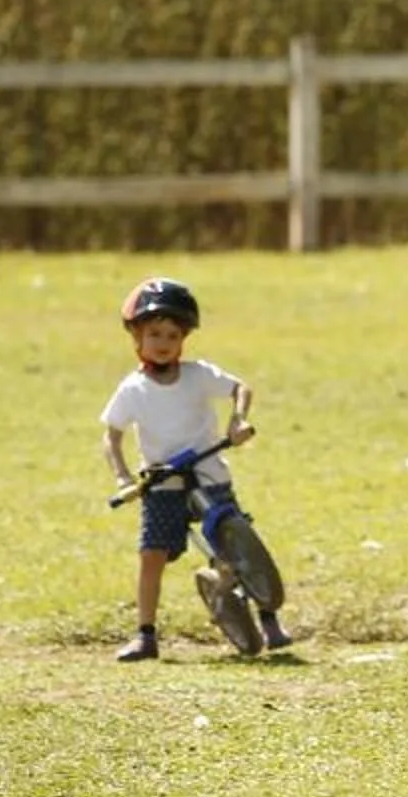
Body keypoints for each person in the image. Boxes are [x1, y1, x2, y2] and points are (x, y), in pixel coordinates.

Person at [100, 276, 287, 663]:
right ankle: (146, 634)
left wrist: (237, 421)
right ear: (136, 336)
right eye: (154, 334)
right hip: (161, 482)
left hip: (208, 474)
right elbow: (112, 435)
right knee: (152, 555)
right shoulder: (133, 389)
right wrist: (122, 476)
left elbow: (240, 388)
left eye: (172, 334)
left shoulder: (199, 374)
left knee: (238, 542)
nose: (164, 343)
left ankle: (270, 621)